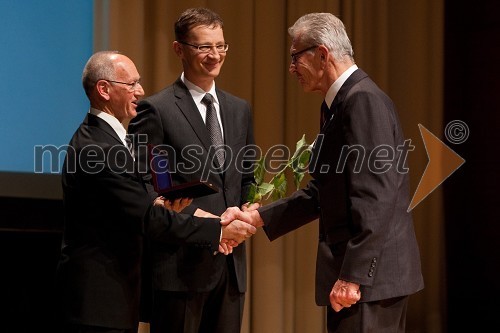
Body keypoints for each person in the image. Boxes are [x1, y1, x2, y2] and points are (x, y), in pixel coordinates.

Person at [223, 12, 424, 332]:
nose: (291, 68)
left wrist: (352, 277)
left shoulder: (362, 101)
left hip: (369, 282)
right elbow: (324, 191)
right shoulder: (339, 103)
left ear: (321, 54)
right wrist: (259, 216)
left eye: (294, 57)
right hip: (363, 281)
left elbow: (376, 196)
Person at [55, 50, 256, 333]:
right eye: (131, 84)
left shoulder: (113, 140)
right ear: (104, 89)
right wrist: (219, 230)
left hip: (115, 297)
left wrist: (164, 204)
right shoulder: (97, 149)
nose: (141, 91)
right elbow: (149, 219)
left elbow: (141, 206)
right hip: (97, 303)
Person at [128, 7, 257, 333]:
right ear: (179, 49)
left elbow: (246, 177)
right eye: (204, 47)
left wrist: (245, 214)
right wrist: (215, 226)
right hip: (179, 271)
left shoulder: (239, 109)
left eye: (221, 46)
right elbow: (150, 187)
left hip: (230, 270)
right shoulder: (155, 110)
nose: (215, 55)